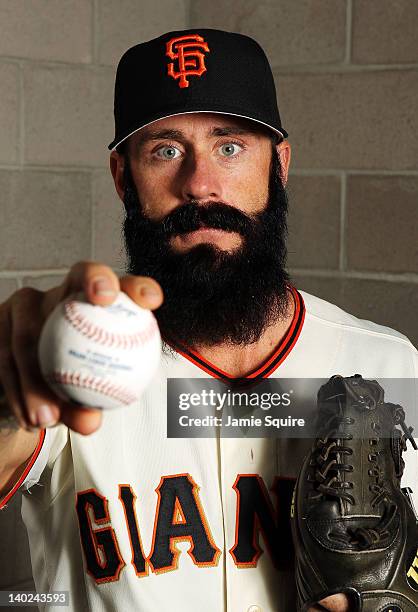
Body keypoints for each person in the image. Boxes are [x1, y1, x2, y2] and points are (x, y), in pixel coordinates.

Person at [0, 28, 416, 612]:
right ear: (123, 178)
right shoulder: (72, 366)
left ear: (280, 165)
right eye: (165, 150)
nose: (200, 185)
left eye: (230, 146)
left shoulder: (391, 366)